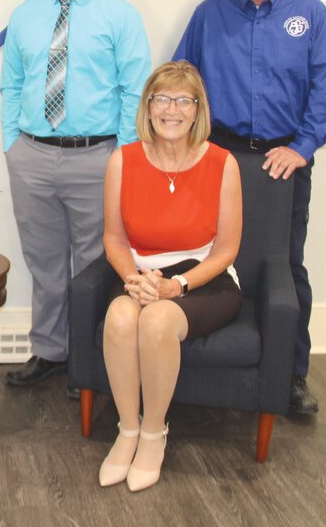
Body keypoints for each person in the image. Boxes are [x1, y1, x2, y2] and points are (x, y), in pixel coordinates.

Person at [174, 0, 326, 415]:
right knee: (205, 258)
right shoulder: (210, 14)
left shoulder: (309, 14)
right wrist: (186, 148)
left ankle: (291, 376)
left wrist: (303, 147)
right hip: (219, 157)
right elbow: (180, 78)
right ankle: (194, 364)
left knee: (285, 266)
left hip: (283, 161)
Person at [0, 0, 151, 387]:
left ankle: (90, 361)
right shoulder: (26, 15)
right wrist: (11, 144)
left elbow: (135, 90)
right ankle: (49, 351)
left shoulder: (119, 14)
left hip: (97, 158)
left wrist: (124, 155)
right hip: (32, 157)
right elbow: (11, 84)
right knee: (43, 262)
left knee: (94, 264)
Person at [100, 61, 242, 491]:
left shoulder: (223, 163)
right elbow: (113, 238)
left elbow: (227, 249)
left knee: (159, 319)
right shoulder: (122, 161)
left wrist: (176, 286)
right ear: (148, 106)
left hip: (203, 278)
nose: (171, 109)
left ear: (198, 110)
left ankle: (153, 432)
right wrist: (133, 279)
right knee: (122, 317)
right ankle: (127, 430)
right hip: (140, 271)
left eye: (184, 100)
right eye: (161, 98)